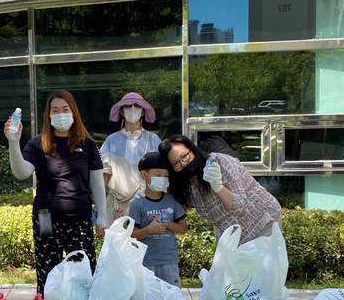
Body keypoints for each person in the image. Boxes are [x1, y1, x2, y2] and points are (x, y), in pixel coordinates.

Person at [4, 90, 107, 294]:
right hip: (46, 218)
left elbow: (97, 182)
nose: (61, 114)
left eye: (65, 109)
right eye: (55, 110)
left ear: (73, 112)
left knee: (82, 271)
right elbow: (22, 172)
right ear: (49, 115)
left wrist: (102, 217)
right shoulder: (37, 143)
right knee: (47, 268)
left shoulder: (87, 144)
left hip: (79, 217)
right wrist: (13, 142)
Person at [159, 135, 280, 244]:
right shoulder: (186, 183)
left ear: (193, 150)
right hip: (233, 235)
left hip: (262, 221)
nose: (183, 163)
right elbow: (176, 210)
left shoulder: (221, 162)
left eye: (185, 156)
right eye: (176, 163)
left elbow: (240, 206)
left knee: (261, 268)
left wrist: (218, 187)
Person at [128, 152, 188, 288]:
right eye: (158, 175)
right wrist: (150, 230)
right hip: (145, 261)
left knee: (171, 297)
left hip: (168, 260)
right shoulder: (138, 204)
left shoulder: (173, 201)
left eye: (166, 176)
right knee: (148, 299)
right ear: (144, 175)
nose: (163, 179)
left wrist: (168, 224)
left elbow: (183, 228)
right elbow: (132, 235)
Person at [100, 92, 161, 222]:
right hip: (117, 206)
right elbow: (103, 178)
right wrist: (101, 212)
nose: (132, 109)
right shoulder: (111, 140)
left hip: (148, 204)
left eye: (137, 106)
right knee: (117, 241)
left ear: (143, 112)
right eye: (128, 106)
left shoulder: (153, 140)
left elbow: (163, 175)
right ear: (121, 111)